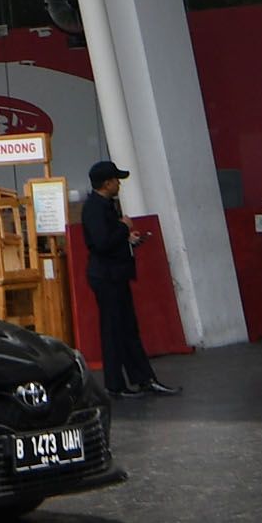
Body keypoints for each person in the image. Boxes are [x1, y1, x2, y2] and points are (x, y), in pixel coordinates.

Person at [80, 160, 174, 397]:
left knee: (125, 328)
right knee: (114, 330)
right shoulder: (95, 208)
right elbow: (101, 242)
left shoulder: (104, 206)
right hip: (106, 277)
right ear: (107, 183)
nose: (119, 184)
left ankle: (141, 378)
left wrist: (127, 238)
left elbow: (106, 239)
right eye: (116, 180)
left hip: (113, 275)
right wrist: (123, 228)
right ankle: (116, 384)